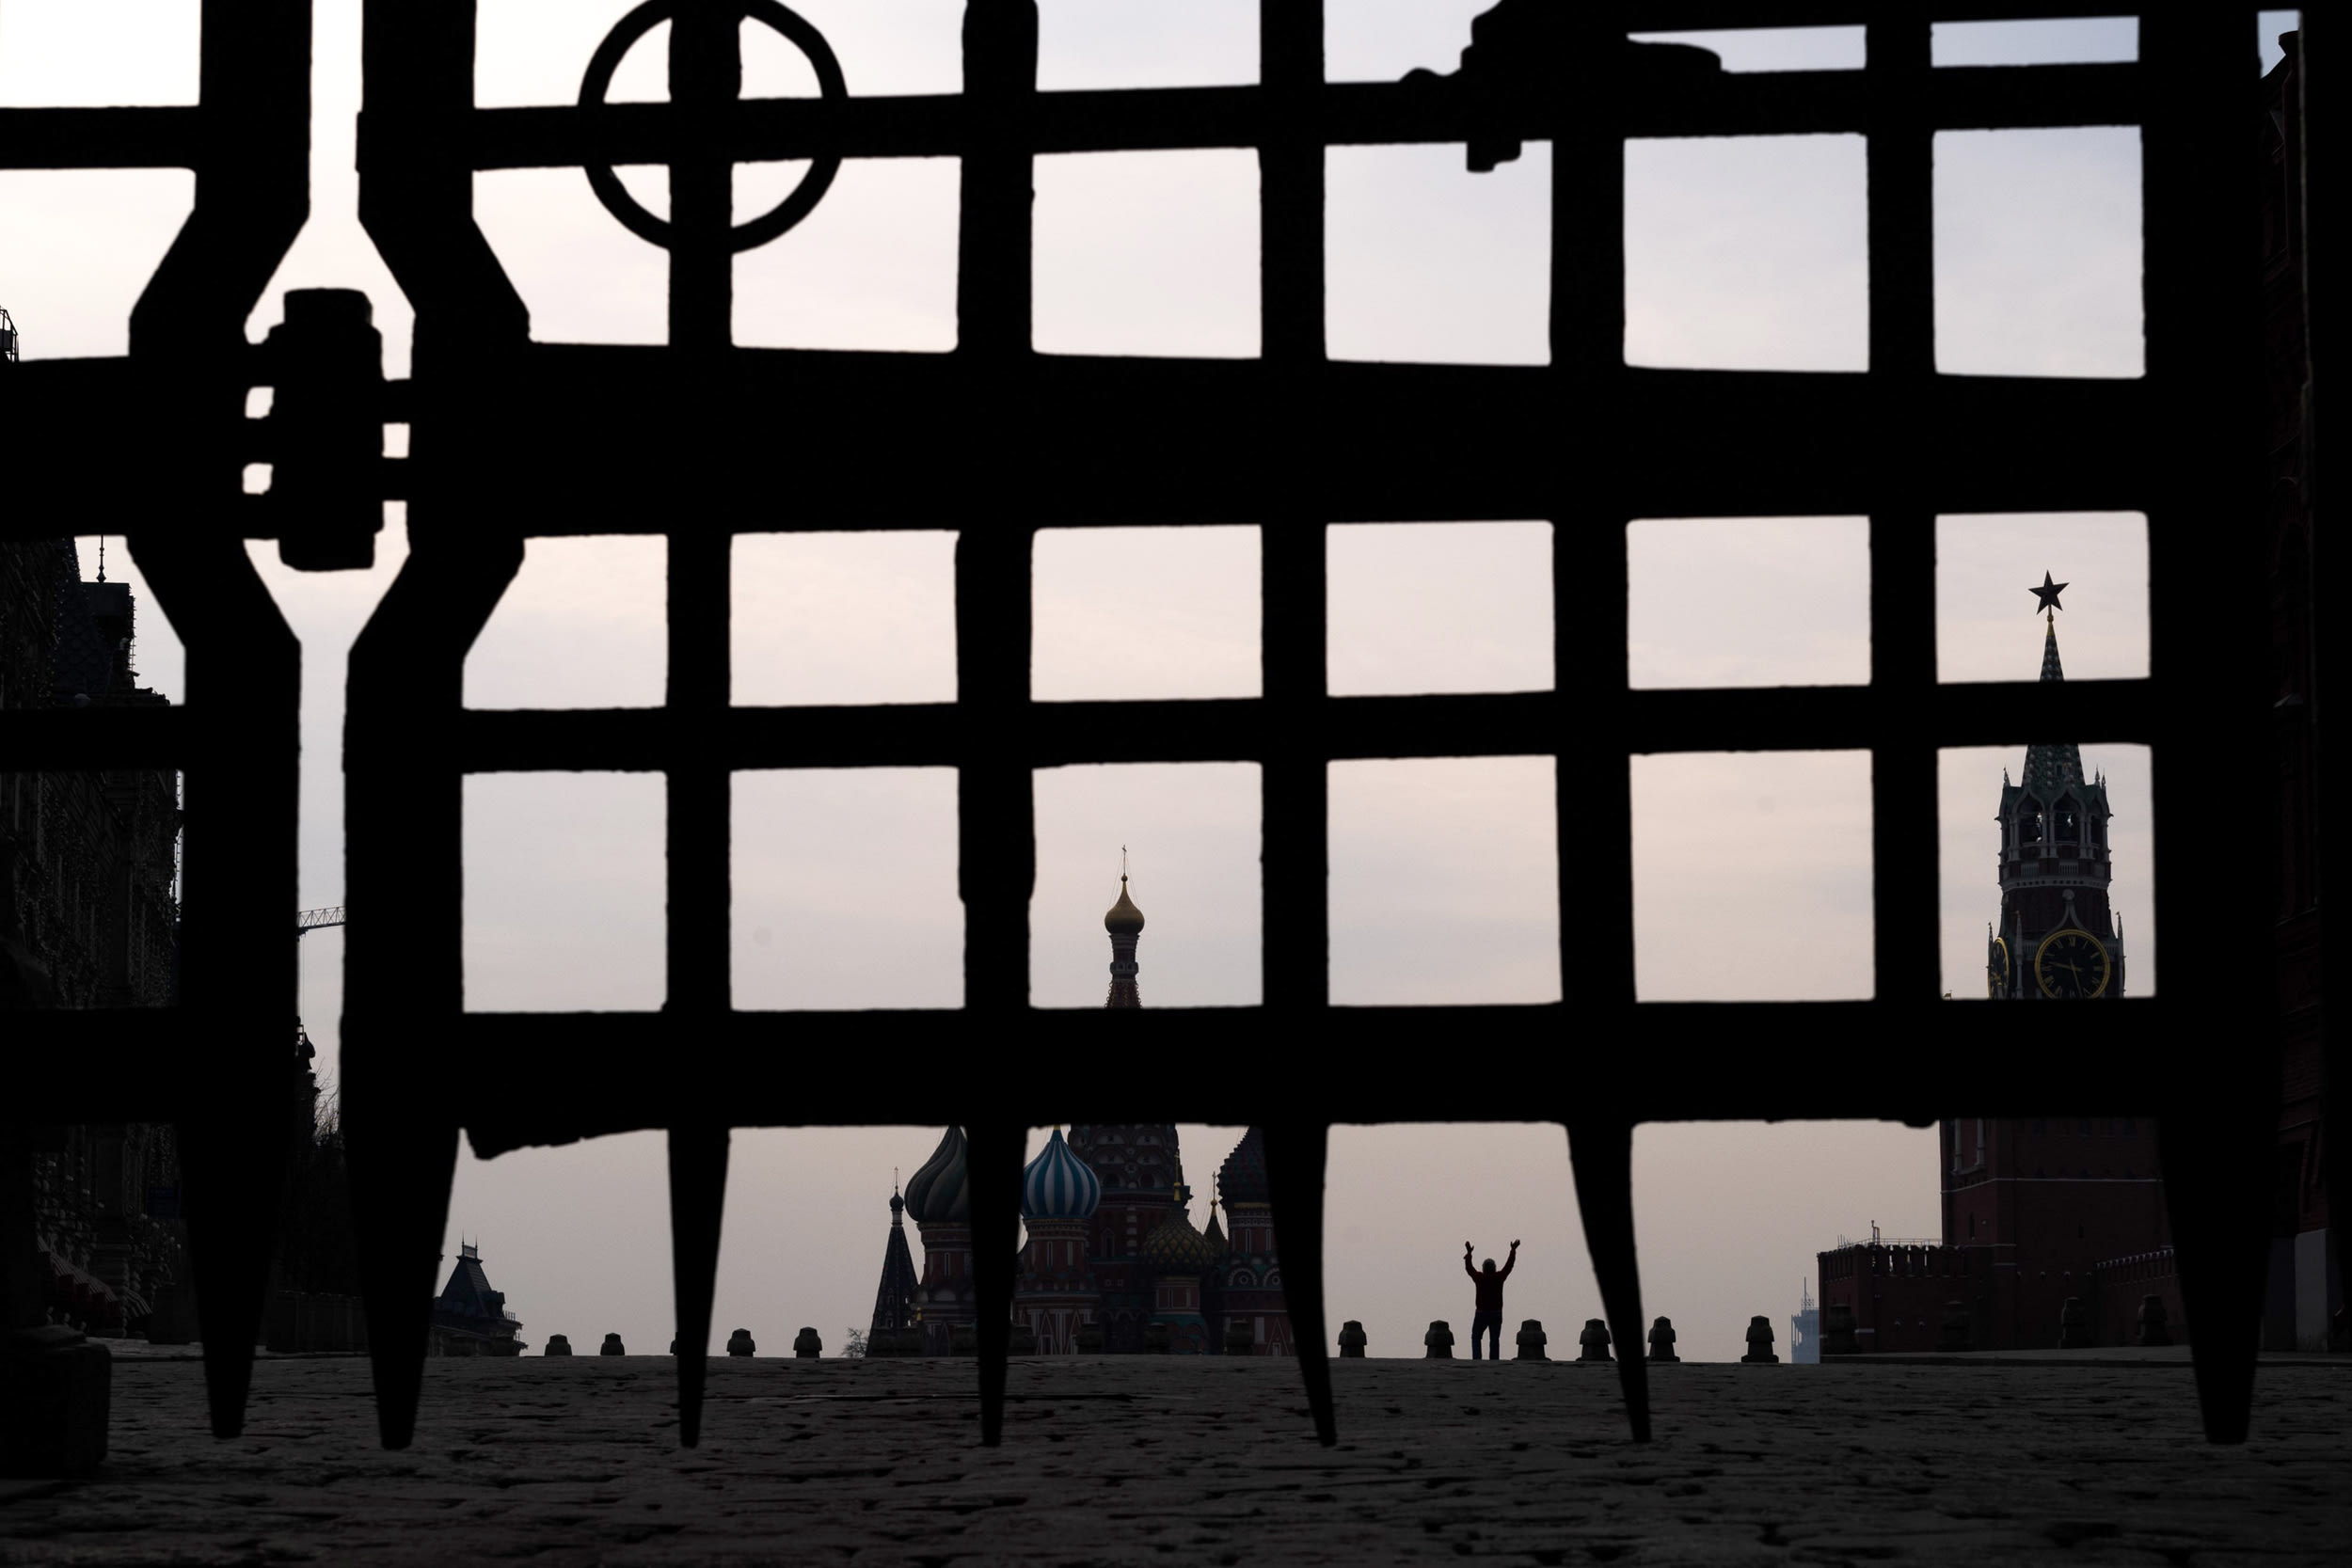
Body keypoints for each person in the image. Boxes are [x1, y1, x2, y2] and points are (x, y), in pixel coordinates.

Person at [1464, 1239, 1518, 1359]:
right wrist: (1513, 1250)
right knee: (1494, 1338)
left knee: (1476, 1337)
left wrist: (1469, 1253)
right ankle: (1494, 1360)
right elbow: (1509, 1266)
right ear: (1494, 1268)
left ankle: (1477, 1359)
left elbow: (1469, 1268)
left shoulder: (1479, 1278)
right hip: (1496, 1313)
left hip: (1481, 1312)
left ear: (1483, 1268)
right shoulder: (1499, 1277)